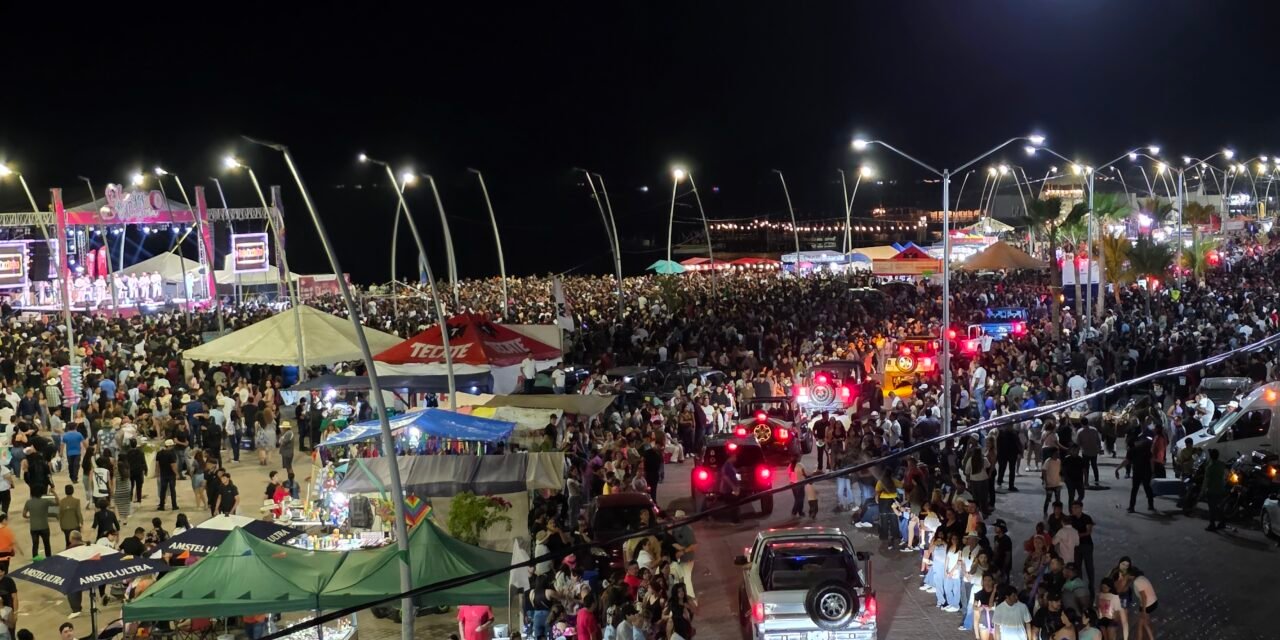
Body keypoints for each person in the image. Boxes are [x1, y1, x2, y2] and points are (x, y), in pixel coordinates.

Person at [1201, 447, 1229, 531]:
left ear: (1210, 456)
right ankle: (1222, 523)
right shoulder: (1221, 464)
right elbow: (1226, 475)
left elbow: (1206, 480)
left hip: (1212, 490)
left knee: (1212, 509)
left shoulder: (1210, 467)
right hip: (1221, 488)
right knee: (1219, 507)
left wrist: (1202, 491)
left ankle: (1212, 525)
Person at [21, 488, 51, 558]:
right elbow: (58, 503)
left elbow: (24, 515)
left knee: (35, 545)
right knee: (47, 544)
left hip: (34, 527)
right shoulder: (45, 501)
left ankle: (35, 561)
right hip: (44, 526)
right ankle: (49, 559)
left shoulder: (28, 502)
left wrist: (29, 517)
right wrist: (54, 492)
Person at [1130, 568, 1158, 640]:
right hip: (1154, 601)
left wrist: (1144, 611)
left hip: (1148, 604)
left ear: (1132, 575)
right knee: (1142, 623)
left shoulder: (1137, 582)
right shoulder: (1142, 578)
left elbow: (1144, 597)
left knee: (1143, 623)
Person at [155, 439, 179, 511]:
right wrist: (177, 473)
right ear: (170, 446)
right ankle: (174, 505)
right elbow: (173, 465)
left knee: (163, 490)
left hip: (163, 474)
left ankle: (162, 506)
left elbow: (157, 464)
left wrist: (157, 473)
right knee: (172, 490)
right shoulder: (171, 454)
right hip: (171, 475)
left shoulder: (159, 453)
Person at [1041, 449, 1063, 515]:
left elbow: (1060, 471)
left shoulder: (1059, 461)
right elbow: (1044, 471)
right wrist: (1045, 481)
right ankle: (1045, 512)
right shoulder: (1048, 461)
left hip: (1057, 483)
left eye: (1057, 453)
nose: (1057, 455)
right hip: (1049, 484)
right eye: (1055, 453)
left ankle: (1058, 512)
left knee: (1058, 500)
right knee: (1048, 499)